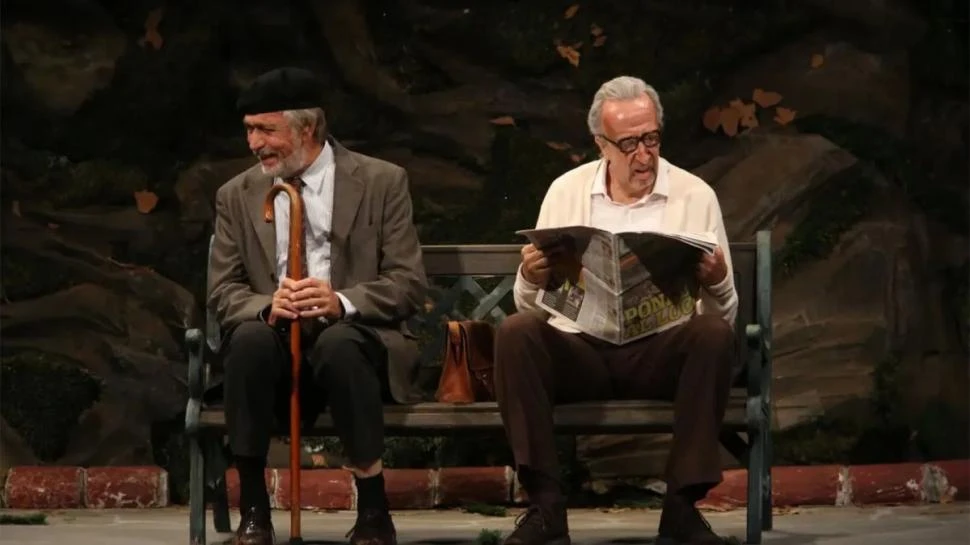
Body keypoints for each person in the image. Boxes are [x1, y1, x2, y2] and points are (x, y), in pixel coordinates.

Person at [494, 76, 739, 545]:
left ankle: (682, 510)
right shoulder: (565, 191)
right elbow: (533, 307)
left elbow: (723, 313)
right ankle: (546, 510)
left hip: (658, 354)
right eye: (628, 144)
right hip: (583, 352)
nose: (643, 155)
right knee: (516, 331)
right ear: (600, 144)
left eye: (650, 138)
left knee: (711, 335)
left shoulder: (695, 195)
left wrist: (718, 281)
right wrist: (531, 277)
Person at [208, 66, 428, 545]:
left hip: (354, 343)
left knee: (340, 344)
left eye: (266, 130)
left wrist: (341, 300)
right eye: (249, 130)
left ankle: (373, 510)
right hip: (274, 347)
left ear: (307, 128)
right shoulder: (236, 195)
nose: (254, 143)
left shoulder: (382, 181)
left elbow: (408, 283)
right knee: (246, 340)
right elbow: (223, 292)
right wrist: (268, 306)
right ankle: (253, 512)